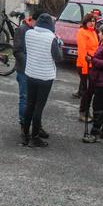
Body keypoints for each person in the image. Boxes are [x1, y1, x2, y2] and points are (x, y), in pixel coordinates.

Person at [22, 13, 63, 147]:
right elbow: (58, 58)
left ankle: (25, 134)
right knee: (39, 107)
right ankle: (35, 137)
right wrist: (59, 44)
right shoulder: (51, 38)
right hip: (45, 76)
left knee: (30, 104)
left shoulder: (29, 34)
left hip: (30, 73)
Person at [13, 9, 40, 131]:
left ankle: (33, 122)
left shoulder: (36, 30)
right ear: (33, 20)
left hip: (34, 70)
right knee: (24, 96)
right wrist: (29, 64)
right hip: (24, 70)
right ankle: (23, 121)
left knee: (33, 98)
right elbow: (17, 51)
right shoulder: (22, 29)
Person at [75, 14, 99, 123]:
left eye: (94, 21)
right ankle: (82, 112)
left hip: (92, 65)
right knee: (85, 91)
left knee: (91, 90)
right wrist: (85, 69)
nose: (92, 23)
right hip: (83, 65)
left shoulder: (94, 32)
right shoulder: (82, 32)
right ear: (85, 22)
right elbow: (82, 52)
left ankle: (87, 111)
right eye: (90, 21)